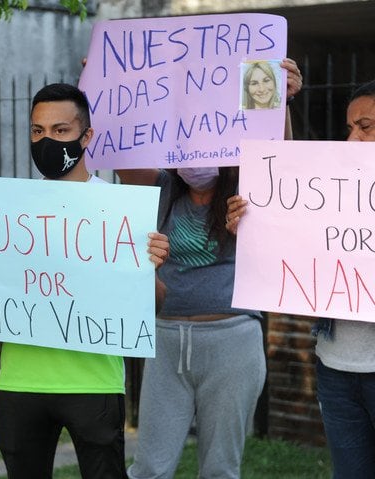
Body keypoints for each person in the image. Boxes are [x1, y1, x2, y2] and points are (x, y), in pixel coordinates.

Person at [0, 83, 169, 479]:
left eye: (61, 131)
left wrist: (151, 269)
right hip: (19, 381)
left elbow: (157, 303)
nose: (47, 140)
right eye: (38, 131)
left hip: (94, 383)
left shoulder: (122, 212)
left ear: (86, 136)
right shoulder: (3, 210)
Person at [118, 58, 302, 479]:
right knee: (148, 468)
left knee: (220, 469)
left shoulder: (248, 191)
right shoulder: (164, 188)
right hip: (166, 342)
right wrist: (108, 94)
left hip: (231, 341)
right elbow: (123, 152)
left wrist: (282, 103)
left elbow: (283, 162)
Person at [227, 79, 375, 479]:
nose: (352, 139)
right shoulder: (339, 185)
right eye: (350, 128)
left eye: (366, 126)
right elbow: (284, 177)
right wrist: (253, 223)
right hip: (335, 368)